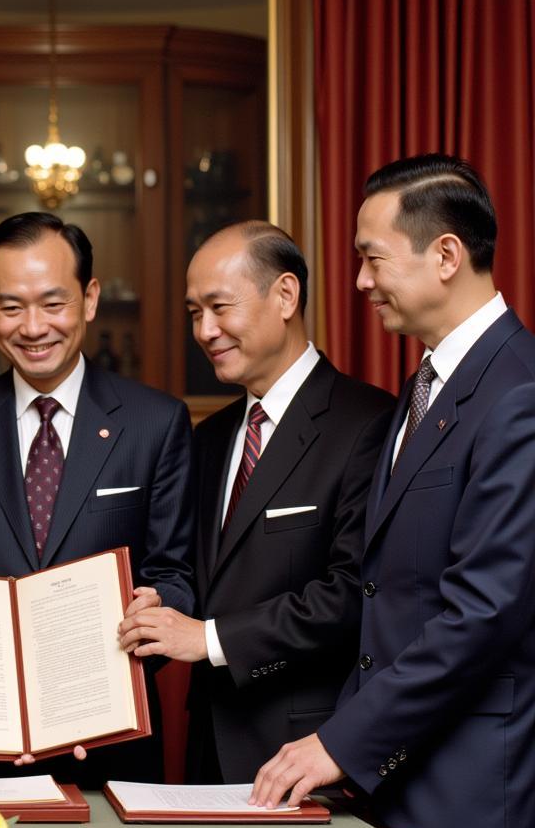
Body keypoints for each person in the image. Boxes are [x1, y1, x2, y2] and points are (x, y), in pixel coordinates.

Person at [251, 154, 535, 828]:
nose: (360, 282)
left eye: (372, 258)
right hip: (397, 781)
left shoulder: (518, 393)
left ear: (445, 255)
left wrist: (340, 742)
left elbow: (483, 614)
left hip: (474, 798)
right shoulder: (424, 385)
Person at [0, 211, 195, 786]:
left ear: (89, 299)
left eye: (53, 302)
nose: (34, 326)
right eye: (12, 306)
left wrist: (153, 611)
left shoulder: (155, 422)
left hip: (116, 744)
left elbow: (177, 573)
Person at [118, 222, 394, 782]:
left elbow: (351, 594)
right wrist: (157, 606)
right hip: (206, 751)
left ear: (285, 295)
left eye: (220, 307)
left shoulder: (368, 423)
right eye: (194, 313)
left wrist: (207, 637)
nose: (205, 330)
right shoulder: (211, 436)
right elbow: (198, 579)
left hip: (304, 750)